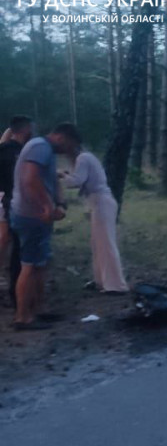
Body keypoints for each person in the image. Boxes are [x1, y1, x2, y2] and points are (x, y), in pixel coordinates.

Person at [10, 122, 81, 330]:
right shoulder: (40, 147)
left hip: (37, 217)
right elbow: (29, 179)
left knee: (40, 264)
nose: (69, 150)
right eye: (71, 144)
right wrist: (47, 207)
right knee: (30, 266)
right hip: (31, 216)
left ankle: (38, 310)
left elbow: (47, 181)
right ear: (62, 137)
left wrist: (58, 204)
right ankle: (22, 318)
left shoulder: (43, 149)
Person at [61, 145, 129, 294]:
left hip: (101, 202)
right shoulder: (87, 157)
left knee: (106, 244)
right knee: (98, 244)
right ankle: (102, 281)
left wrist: (62, 176)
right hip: (97, 202)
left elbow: (77, 181)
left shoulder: (83, 158)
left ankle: (116, 285)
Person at [0, 116, 35, 309]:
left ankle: (21, 296)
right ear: (25, 129)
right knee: (18, 253)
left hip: (25, 206)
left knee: (21, 252)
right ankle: (17, 298)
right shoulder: (6, 152)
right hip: (14, 206)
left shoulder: (26, 151)